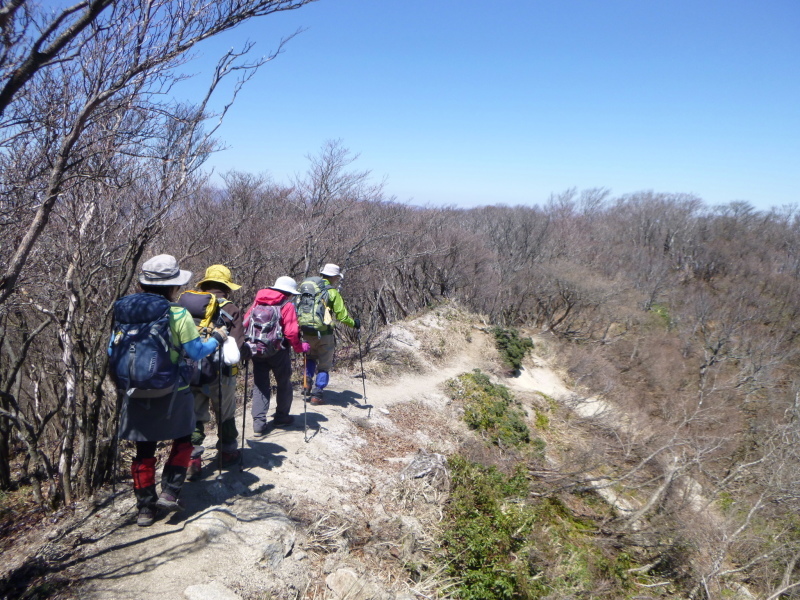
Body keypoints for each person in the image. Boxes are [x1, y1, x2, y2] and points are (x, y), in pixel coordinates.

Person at [110, 255, 227, 527]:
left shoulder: (122, 311)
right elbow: (196, 352)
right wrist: (218, 339)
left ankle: (145, 509)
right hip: (174, 391)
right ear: (174, 286)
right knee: (184, 438)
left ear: (142, 284)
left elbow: (111, 351)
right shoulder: (176, 313)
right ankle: (170, 491)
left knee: (143, 450)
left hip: (134, 391)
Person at [178, 265, 246, 480]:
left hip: (190, 369)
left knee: (194, 415)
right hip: (220, 373)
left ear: (205, 284)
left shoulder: (187, 306)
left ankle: (193, 460)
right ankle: (227, 452)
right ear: (226, 287)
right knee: (225, 413)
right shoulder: (231, 309)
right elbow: (238, 343)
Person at [243, 276, 309, 435]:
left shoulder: (258, 301)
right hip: (278, 350)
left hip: (256, 349)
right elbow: (291, 332)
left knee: (260, 384)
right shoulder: (287, 305)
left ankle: (259, 423)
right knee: (284, 382)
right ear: (289, 292)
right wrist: (300, 347)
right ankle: (281, 417)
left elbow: (245, 321)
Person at [299, 263, 360, 405]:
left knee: (310, 358)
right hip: (325, 334)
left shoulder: (308, 289)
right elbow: (342, 317)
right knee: (324, 365)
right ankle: (317, 394)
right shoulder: (332, 292)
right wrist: (354, 323)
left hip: (306, 332)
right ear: (334, 277)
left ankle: (306, 382)